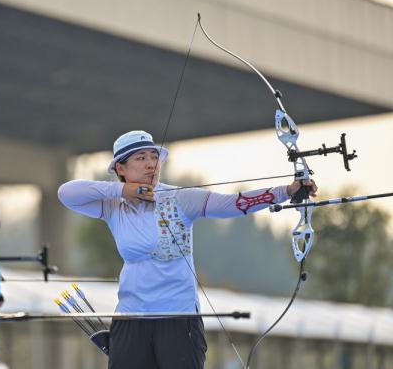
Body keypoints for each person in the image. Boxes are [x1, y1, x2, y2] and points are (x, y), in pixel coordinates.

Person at [57, 130, 317, 369]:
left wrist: (286, 191)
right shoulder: (113, 205)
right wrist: (123, 190)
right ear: (121, 168)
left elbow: (232, 204)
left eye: (154, 157)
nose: (151, 163)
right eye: (140, 158)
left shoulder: (180, 198)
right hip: (130, 320)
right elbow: (66, 193)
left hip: (178, 319)